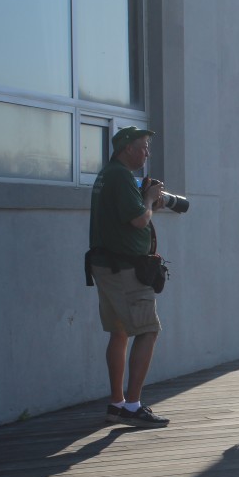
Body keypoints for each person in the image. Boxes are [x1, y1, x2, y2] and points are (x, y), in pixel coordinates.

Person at [87, 126, 170, 428]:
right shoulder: (121, 176)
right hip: (124, 270)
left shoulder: (108, 174)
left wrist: (146, 201)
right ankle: (132, 406)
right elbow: (138, 219)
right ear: (127, 149)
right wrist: (148, 200)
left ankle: (116, 404)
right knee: (148, 330)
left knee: (119, 331)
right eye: (144, 146)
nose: (147, 153)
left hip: (106, 265)